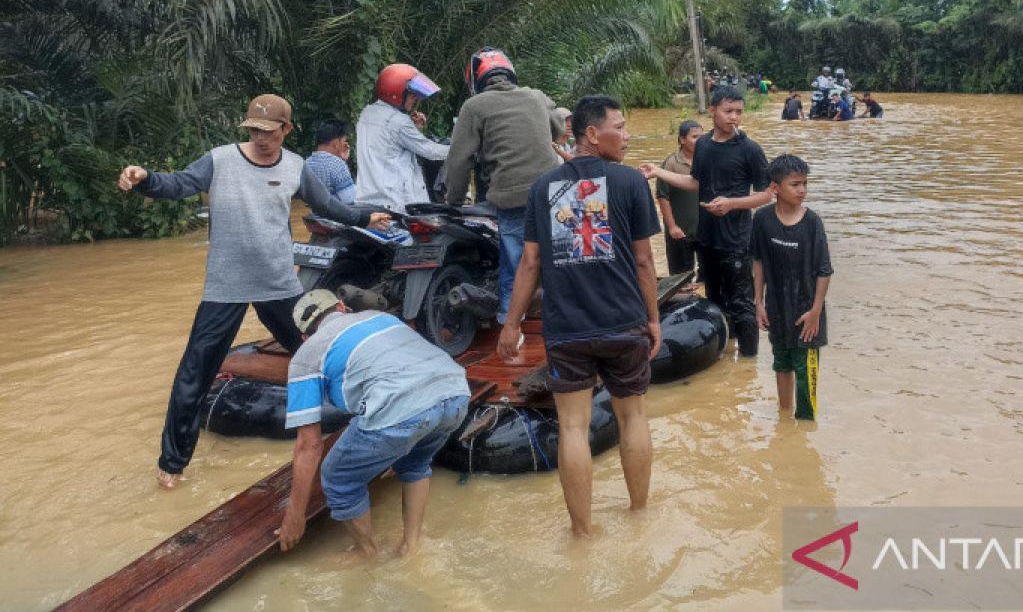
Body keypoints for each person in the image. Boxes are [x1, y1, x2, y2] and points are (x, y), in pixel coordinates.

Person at [116, 94, 391, 489]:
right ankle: (172, 464)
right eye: (254, 131)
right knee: (193, 373)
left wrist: (367, 216)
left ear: (286, 130)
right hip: (225, 287)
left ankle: (371, 416)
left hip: (279, 284)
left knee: (319, 352)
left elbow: (329, 206)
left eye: (269, 131)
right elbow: (179, 184)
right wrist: (146, 180)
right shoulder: (220, 160)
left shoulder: (296, 167)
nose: (261, 138)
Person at [498, 95, 661, 538]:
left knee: (572, 427)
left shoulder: (543, 189)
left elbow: (528, 264)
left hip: (567, 328)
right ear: (592, 133)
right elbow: (645, 262)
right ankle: (640, 517)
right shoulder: (630, 183)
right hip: (624, 321)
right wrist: (654, 319)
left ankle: (582, 533)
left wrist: (511, 324)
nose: (627, 136)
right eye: (620, 127)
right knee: (633, 418)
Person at [277, 290, 469, 558]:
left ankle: (367, 553)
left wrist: (294, 517)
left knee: (337, 477)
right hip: (456, 393)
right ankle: (412, 546)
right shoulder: (380, 317)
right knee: (415, 462)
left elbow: (309, 446)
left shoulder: (306, 355)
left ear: (304, 337)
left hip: (403, 407)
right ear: (342, 307)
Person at [641, 86, 771, 357]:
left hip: (736, 241)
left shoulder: (750, 150)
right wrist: (658, 171)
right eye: (728, 111)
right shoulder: (703, 144)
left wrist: (732, 203)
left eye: (739, 112)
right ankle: (723, 352)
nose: (734, 117)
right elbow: (695, 182)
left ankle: (747, 366)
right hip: (707, 238)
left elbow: (767, 194)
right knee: (713, 299)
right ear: (712, 111)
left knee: (742, 305)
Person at [444, 48, 560, 324]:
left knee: (516, 262)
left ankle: (510, 320)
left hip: (511, 196)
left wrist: (454, 201)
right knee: (557, 255)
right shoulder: (535, 96)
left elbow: (458, 160)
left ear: (477, 80)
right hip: (555, 192)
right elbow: (557, 127)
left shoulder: (474, 107)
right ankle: (564, 315)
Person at [751, 155, 833, 419]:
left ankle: (806, 427)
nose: (802, 190)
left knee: (805, 377)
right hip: (776, 309)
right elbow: (759, 262)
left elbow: (824, 271)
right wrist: (759, 303)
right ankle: (784, 421)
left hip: (807, 314)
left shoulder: (812, 223)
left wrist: (816, 312)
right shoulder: (762, 219)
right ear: (775, 188)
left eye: (805, 184)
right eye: (795, 184)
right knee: (781, 365)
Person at [355, 63, 449, 213]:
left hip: (369, 198)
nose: (415, 99)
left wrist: (413, 129)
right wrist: (464, 148)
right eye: (412, 95)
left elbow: (389, 143)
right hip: (398, 203)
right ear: (396, 93)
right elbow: (431, 151)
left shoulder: (367, 113)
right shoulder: (398, 122)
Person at [657, 120, 704, 282]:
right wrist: (672, 227)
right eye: (694, 136)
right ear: (682, 139)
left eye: (701, 136)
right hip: (680, 232)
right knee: (680, 280)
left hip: (705, 231)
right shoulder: (670, 164)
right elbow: (663, 197)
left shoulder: (706, 161)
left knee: (708, 276)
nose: (699, 140)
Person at [304, 118, 356, 204]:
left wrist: (342, 160)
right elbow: (350, 199)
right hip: (336, 216)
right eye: (344, 141)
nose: (345, 144)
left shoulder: (306, 163)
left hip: (314, 216)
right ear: (336, 143)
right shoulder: (337, 165)